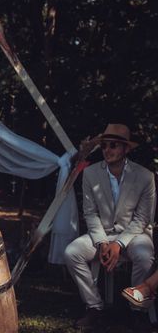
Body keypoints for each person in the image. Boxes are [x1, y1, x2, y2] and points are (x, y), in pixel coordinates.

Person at [64, 123, 155, 329]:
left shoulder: (145, 177)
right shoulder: (90, 173)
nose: (107, 150)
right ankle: (95, 307)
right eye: (104, 146)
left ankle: (137, 311)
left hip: (134, 234)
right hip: (101, 233)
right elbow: (90, 212)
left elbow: (142, 219)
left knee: (144, 254)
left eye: (113, 145)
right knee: (72, 252)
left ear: (126, 149)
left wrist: (119, 244)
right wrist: (103, 242)